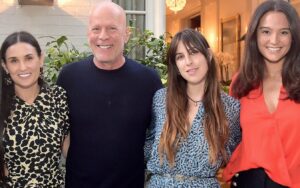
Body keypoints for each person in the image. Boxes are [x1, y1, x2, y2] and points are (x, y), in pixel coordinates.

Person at [56, 1, 162, 188]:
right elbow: (59, 131)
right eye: (96, 28)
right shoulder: (68, 77)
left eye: (112, 28)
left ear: (126, 34)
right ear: (88, 33)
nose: (103, 36)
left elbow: (160, 136)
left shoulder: (149, 81)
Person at [144, 28, 241, 187]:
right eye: (180, 57)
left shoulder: (231, 108)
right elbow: (147, 145)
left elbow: (237, 156)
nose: (188, 61)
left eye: (194, 52)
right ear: (176, 64)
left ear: (208, 55)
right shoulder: (161, 99)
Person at [223, 0, 300, 187]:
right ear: (254, 36)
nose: (274, 40)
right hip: (250, 180)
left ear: (294, 37)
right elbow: (231, 137)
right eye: (266, 31)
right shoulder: (241, 82)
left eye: (283, 32)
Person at [0, 31, 70, 187]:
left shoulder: (58, 97)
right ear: (5, 66)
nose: (23, 67)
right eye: (14, 61)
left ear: (41, 59)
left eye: (29, 58)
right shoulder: (3, 103)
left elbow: (66, 145)